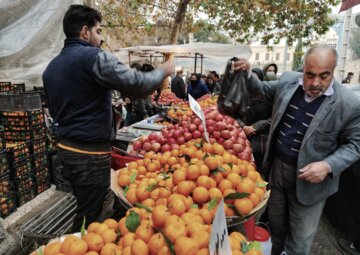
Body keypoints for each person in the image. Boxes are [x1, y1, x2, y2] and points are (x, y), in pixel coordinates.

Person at [42, 5, 173, 232]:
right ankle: (73, 246)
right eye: (98, 31)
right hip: (89, 155)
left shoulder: (51, 68)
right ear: (85, 32)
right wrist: (163, 70)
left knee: (85, 205)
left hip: (66, 151)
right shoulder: (94, 58)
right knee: (91, 216)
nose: (101, 39)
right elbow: (139, 84)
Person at [233, 45, 360, 255]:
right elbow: (263, 91)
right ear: (303, 68)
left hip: (311, 185)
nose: (315, 83)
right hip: (277, 172)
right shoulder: (288, 80)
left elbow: (356, 144)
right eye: (309, 75)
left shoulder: (348, 103)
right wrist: (248, 74)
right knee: (276, 227)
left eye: (323, 76)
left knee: (299, 240)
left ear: (334, 70)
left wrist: (328, 165)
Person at [237, 67, 271, 177]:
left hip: (262, 141)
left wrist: (255, 127)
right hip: (243, 139)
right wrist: (243, 126)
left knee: (260, 170)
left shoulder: (269, 97)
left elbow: (274, 117)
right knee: (245, 169)